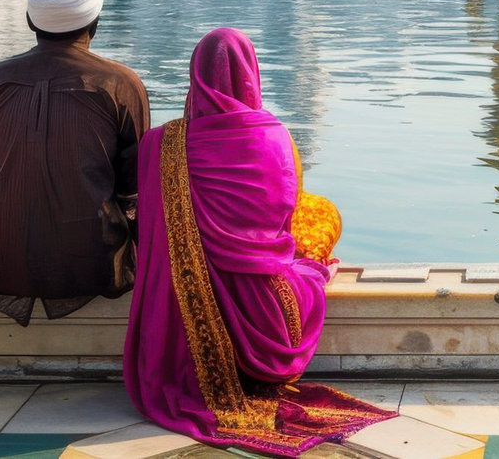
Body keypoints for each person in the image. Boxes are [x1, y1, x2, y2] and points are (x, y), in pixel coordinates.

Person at [125, 28, 391, 453]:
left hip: (181, 318)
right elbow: (281, 227)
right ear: (252, 76)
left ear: (194, 78)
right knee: (320, 211)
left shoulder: (161, 144)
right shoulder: (272, 135)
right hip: (270, 317)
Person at [0, 0, 148, 325]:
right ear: (95, 21)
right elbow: (133, 190)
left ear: (32, 22)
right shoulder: (121, 83)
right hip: (94, 267)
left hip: (0, 267)